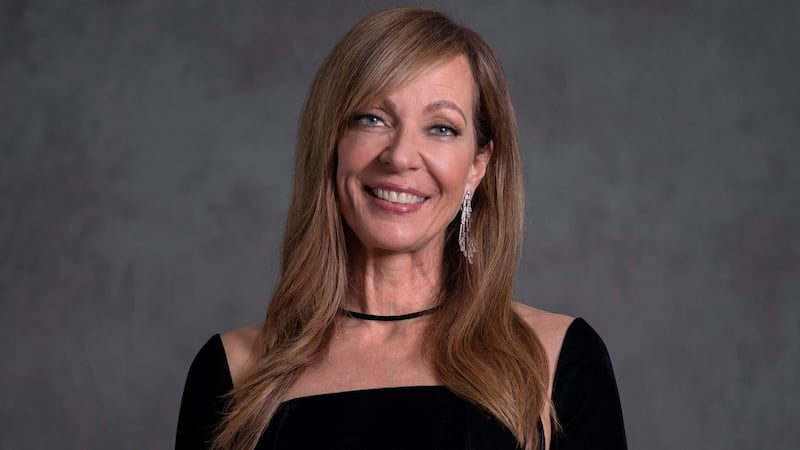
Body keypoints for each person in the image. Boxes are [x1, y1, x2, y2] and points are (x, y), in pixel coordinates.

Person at [176, 7, 626, 450]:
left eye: (442, 128)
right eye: (372, 118)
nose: (400, 155)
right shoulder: (234, 372)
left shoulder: (555, 362)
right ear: (331, 142)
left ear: (478, 165)